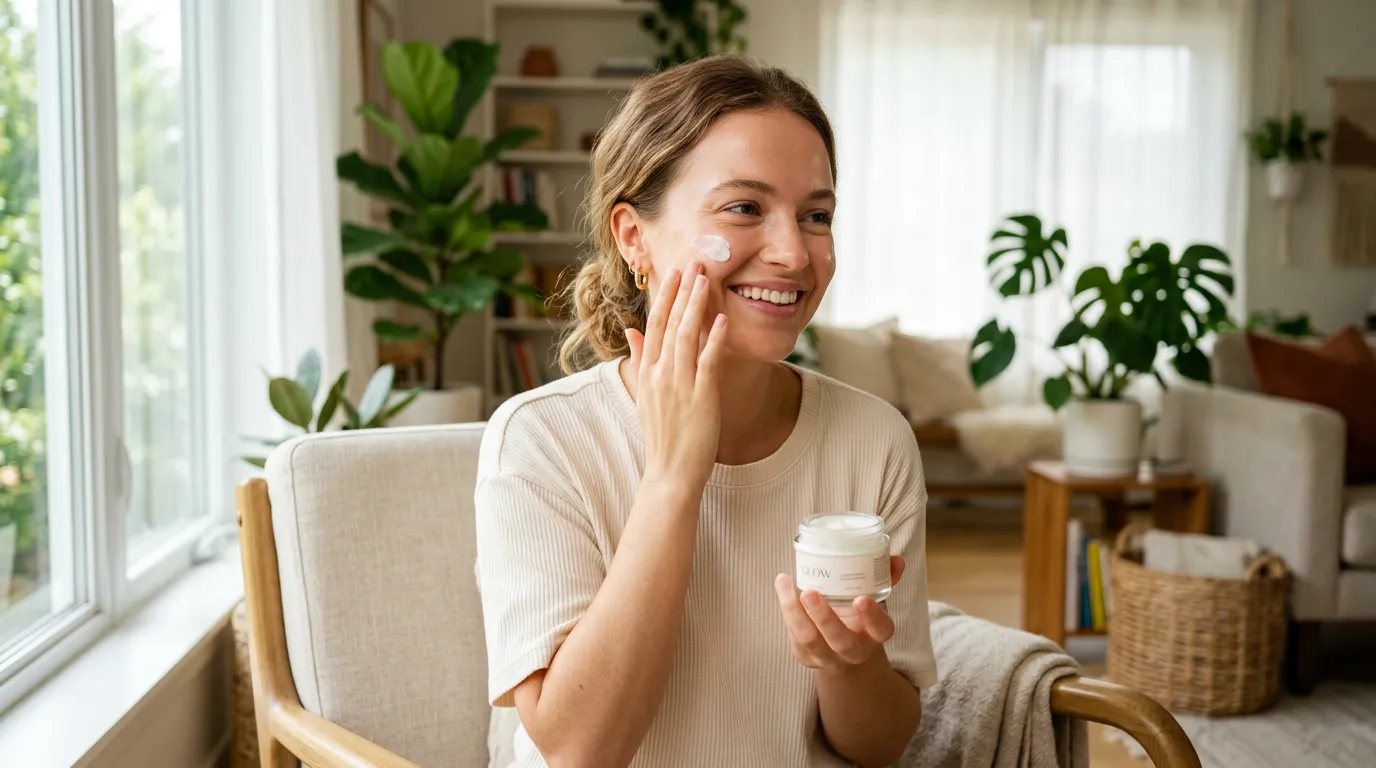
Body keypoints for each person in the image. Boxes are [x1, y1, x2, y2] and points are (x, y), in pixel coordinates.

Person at [475, 54, 937, 768]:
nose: (792, 253)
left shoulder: (872, 440)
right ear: (634, 237)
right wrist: (672, 479)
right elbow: (578, 753)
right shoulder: (541, 441)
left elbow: (879, 747)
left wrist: (846, 665)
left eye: (816, 215)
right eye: (745, 208)